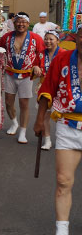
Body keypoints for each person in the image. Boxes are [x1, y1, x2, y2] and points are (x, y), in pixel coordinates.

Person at [35, 23, 82, 235]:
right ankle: (62, 230)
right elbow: (48, 89)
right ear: (75, 37)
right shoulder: (62, 60)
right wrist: (39, 120)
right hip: (67, 124)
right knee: (63, 181)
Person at [0, 12, 44, 143]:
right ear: (14, 23)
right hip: (10, 73)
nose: (21, 24)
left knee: (24, 104)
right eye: (18, 21)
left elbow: (41, 54)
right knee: (8, 102)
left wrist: (37, 66)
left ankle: (22, 131)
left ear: (28, 24)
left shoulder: (36, 38)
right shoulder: (7, 37)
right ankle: (14, 123)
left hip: (27, 75)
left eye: (24, 22)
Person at [38, 30, 66, 150]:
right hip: (45, 87)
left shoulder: (64, 53)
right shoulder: (41, 53)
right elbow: (35, 64)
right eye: (46, 39)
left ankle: (63, 140)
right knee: (44, 115)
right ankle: (47, 140)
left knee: (61, 117)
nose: (48, 41)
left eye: (51, 39)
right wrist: (35, 67)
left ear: (58, 41)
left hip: (61, 89)